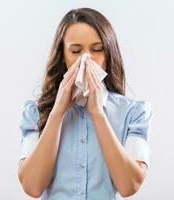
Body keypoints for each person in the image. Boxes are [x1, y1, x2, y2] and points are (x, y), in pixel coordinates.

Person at [17, 7, 153, 200]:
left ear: (108, 54)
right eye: (76, 51)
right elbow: (32, 187)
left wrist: (98, 113)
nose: (86, 59)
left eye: (97, 50)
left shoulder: (133, 113)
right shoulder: (35, 112)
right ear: (63, 56)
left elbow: (129, 185)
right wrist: (57, 113)